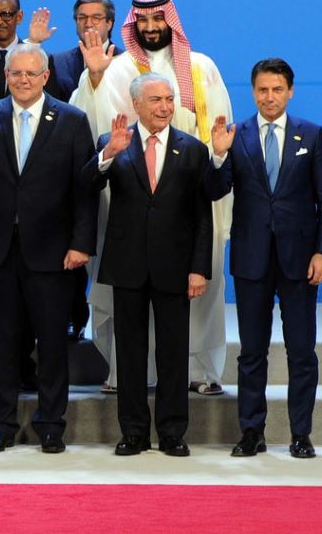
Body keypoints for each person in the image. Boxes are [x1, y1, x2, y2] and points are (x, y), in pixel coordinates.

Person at [73, 0, 234, 395]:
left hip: (189, 199)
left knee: (196, 288)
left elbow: (219, 132)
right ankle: (128, 372)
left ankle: (199, 370)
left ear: (170, 21)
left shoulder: (200, 66)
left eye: (157, 19)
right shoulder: (116, 66)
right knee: (129, 291)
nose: (149, 27)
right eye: (142, 20)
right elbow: (95, 130)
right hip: (133, 202)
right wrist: (95, 78)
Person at [0, 43, 97, 453]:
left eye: (31, 73)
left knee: (52, 343)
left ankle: (51, 426)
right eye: (16, 73)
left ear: (45, 77)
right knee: (0, 343)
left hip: (53, 251)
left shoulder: (71, 120)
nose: (23, 80)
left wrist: (81, 243)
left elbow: (83, 189)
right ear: (6, 76)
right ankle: (1, 425)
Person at [85, 73, 226, 457]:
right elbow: (85, 185)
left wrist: (199, 268)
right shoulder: (114, 141)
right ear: (136, 104)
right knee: (130, 354)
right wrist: (107, 155)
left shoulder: (192, 149)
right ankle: (133, 433)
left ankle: (172, 432)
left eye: (169, 99)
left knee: (173, 353)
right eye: (156, 100)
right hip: (127, 265)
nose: (164, 107)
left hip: (175, 267)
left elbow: (203, 214)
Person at [223, 58, 322, 459]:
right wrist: (217, 156)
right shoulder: (235, 135)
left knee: (301, 351)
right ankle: (251, 432)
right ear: (253, 92)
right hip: (251, 259)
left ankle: (301, 433)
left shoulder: (312, 134)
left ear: (290, 91)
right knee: (252, 352)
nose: (269, 97)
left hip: (300, 260)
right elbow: (215, 190)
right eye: (262, 90)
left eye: (276, 89)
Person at [41, 0, 115, 342]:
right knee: (73, 241)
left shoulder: (127, 62)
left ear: (110, 22)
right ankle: (75, 317)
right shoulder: (58, 62)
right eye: (82, 17)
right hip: (70, 166)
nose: (89, 23)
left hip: (117, 163)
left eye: (96, 17)